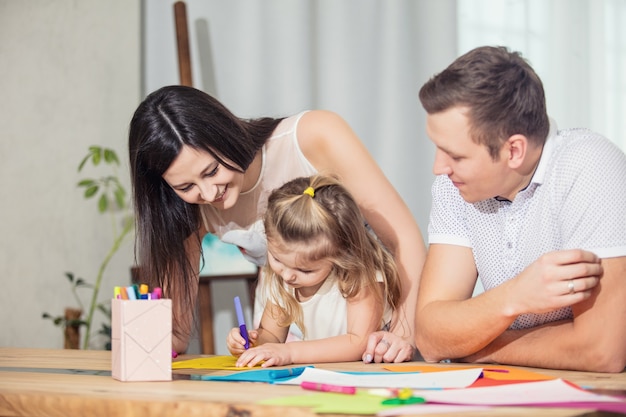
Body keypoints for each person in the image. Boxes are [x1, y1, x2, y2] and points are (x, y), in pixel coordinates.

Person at [128, 85, 426, 361]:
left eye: (212, 171)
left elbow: (404, 239)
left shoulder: (314, 135)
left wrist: (400, 335)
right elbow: (175, 333)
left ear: (225, 134)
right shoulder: (188, 208)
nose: (208, 194)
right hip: (292, 340)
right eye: (185, 187)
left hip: (379, 328)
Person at [414, 45, 626, 372]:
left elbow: (602, 351)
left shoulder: (589, 167)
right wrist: (515, 296)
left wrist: (479, 345)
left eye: (455, 156)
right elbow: (430, 336)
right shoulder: (453, 186)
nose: (439, 167)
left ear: (514, 150)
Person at [226, 175, 403, 367]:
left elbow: (358, 342)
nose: (287, 275)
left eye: (305, 270)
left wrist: (289, 352)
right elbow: (272, 336)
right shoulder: (281, 280)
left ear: (341, 254)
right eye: (277, 259)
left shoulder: (359, 277)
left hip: (376, 375)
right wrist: (252, 342)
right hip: (329, 376)